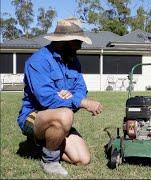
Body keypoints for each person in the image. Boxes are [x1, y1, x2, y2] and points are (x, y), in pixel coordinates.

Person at [17, 18, 103, 176]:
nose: (80, 45)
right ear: (66, 41)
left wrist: (69, 96)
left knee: (82, 159)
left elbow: (81, 88)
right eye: (77, 41)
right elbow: (46, 100)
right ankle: (50, 161)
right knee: (65, 114)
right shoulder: (38, 61)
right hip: (34, 115)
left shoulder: (73, 61)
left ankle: (42, 144)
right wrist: (80, 102)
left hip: (60, 116)